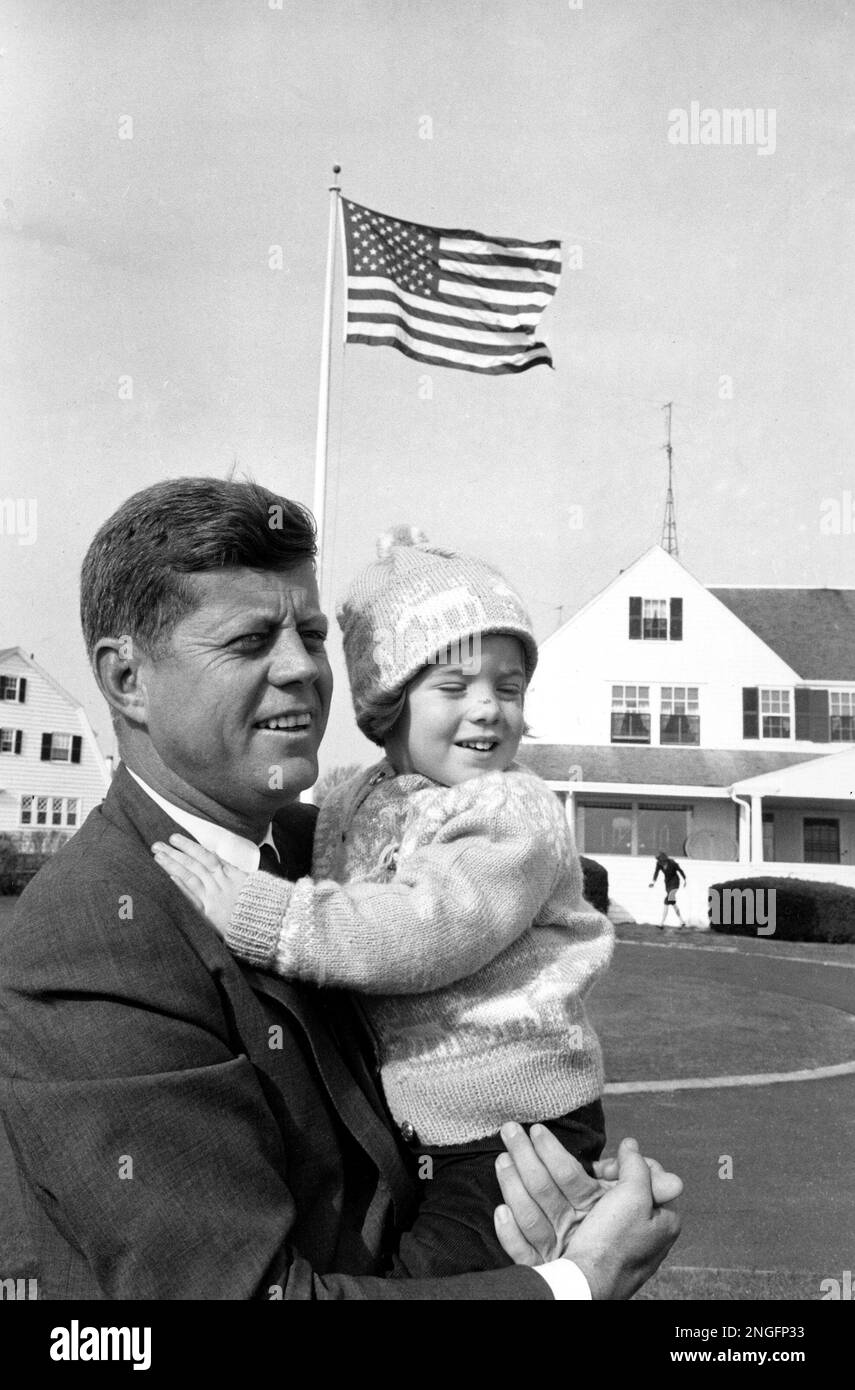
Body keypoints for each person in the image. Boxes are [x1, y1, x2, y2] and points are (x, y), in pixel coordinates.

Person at [0, 477, 680, 1299]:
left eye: (313, 634)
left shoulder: (317, 848)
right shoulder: (89, 940)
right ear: (126, 680)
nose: (302, 669)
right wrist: (575, 1283)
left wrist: (527, 1207)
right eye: (251, 641)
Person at [151, 528, 618, 1255]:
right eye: (455, 687)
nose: (489, 708)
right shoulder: (355, 800)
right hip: (422, 1120)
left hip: (518, 1119)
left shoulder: (510, 812)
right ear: (388, 702)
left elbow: (422, 929)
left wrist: (260, 914)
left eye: (509, 687)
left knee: (435, 1274)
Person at [650, 851, 687, 930]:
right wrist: (653, 882)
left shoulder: (672, 863)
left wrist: (685, 880)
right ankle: (682, 921)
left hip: (675, 883)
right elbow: (656, 872)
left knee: (666, 900)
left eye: (660, 860)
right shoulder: (659, 864)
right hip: (667, 884)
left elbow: (680, 870)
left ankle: (661, 923)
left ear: (664, 859)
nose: (660, 862)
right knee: (673, 903)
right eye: (658, 860)